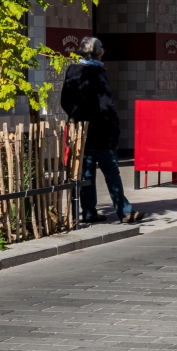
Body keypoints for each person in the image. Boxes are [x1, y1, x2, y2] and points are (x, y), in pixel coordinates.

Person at [60, 37, 145, 224]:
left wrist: (77, 116)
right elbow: (106, 105)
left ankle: (89, 211)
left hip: (81, 132)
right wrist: (114, 126)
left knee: (87, 172)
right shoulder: (97, 72)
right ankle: (125, 211)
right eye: (102, 49)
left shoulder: (72, 70)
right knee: (112, 171)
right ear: (98, 52)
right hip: (101, 132)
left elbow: (64, 100)